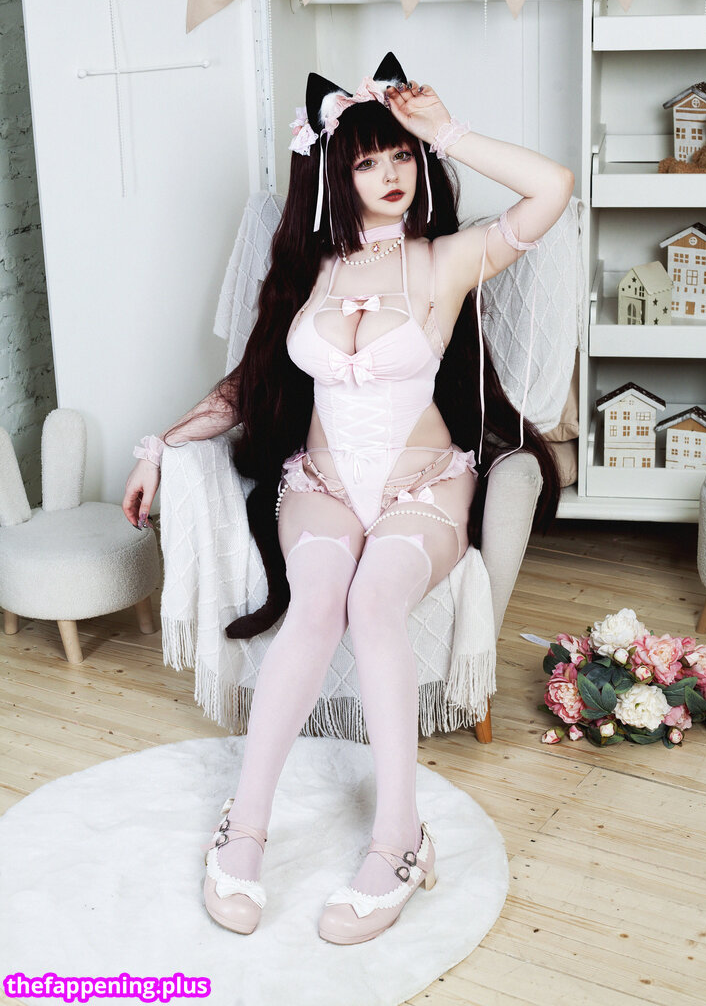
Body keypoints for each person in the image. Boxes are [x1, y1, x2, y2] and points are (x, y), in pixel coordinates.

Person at [122, 53, 572, 945]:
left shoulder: (446, 261)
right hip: (323, 485)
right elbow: (247, 386)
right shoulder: (308, 273)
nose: (391, 173)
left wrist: (447, 130)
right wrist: (159, 447)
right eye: (368, 160)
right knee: (318, 602)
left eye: (401, 154)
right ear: (337, 171)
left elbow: (552, 186)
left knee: (374, 603)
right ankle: (244, 829)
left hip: (421, 487)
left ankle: (399, 839)